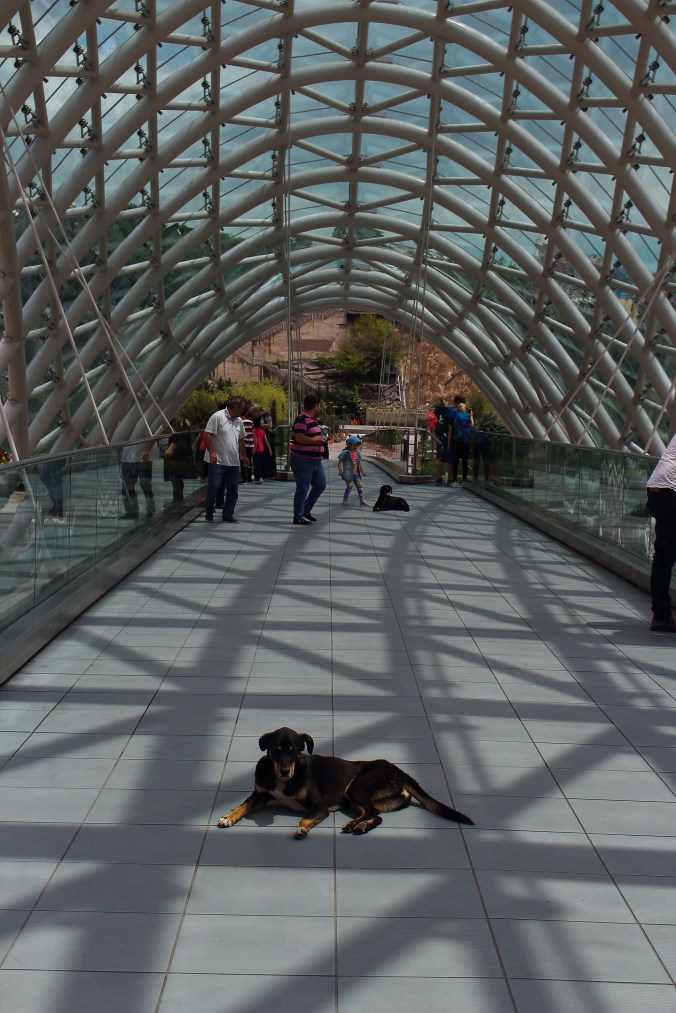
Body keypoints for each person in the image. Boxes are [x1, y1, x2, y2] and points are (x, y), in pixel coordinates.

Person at [646, 433, 676, 632]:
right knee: (665, 555)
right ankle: (661, 615)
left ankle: (661, 614)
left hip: (661, 490)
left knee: (665, 554)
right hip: (668, 491)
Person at [203, 397, 248, 523]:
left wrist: (244, 455)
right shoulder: (217, 416)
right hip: (217, 460)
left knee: (233, 489)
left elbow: (241, 439)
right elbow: (207, 434)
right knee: (214, 485)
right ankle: (209, 511)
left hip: (233, 461)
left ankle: (228, 514)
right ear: (235, 407)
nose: (243, 411)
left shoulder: (239, 421)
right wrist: (211, 451)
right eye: (242, 408)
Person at [289, 393, 327, 525]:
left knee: (320, 484)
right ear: (316, 406)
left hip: (316, 461)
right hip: (302, 460)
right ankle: (298, 516)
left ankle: (305, 509)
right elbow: (298, 437)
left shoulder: (312, 420)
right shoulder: (301, 419)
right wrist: (316, 440)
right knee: (303, 487)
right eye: (319, 405)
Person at [120, 440, 156, 519]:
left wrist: (147, 449)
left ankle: (150, 510)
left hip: (144, 457)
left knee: (145, 483)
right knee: (128, 485)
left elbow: (154, 434)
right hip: (127, 456)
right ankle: (131, 511)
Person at [163, 431, 194, 502]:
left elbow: (179, 433)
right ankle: (177, 499)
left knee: (176, 476)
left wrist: (171, 447)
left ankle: (177, 500)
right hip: (178, 452)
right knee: (176, 477)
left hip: (177, 453)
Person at [338, 435, 367, 506]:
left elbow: (359, 463)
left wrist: (362, 471)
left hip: (356, 474)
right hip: (348, 474)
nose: (356, 447)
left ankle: (362, 500)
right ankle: (345, 500)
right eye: (354, 445)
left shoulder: (357, 453)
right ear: (349, 444)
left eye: (357, 446)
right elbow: (340, 461)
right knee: (349, 487)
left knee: (360, 487)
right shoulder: (345, 452)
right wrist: (340, 471)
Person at [451, 400, 474, 486]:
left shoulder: (457, 416)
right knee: (465, 461)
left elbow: (455, 428)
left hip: (458, 441)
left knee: (456, 461)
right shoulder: (468, 416)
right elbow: (472, 426)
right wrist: (471, 417)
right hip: (466, 440)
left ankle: (454, 480)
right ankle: (464, 480)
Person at [432, 398, 452, 486]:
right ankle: (449, 481)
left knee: (443, 459)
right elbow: (451, 428)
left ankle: (439, 479)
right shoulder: (451, 411)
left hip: (443, 436)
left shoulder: (440, 411)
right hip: (449, 438)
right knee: (450, 460)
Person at [252, 415, 272, 484]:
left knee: (256, 465)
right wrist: (269, 449)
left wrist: (254, 450)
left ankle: (259, 478)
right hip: (262, 450)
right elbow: (266, 441)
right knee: (260, 464)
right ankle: (260, 477)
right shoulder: (262, 431)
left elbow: (255, 441)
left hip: (257, 450)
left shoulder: (254, 431)